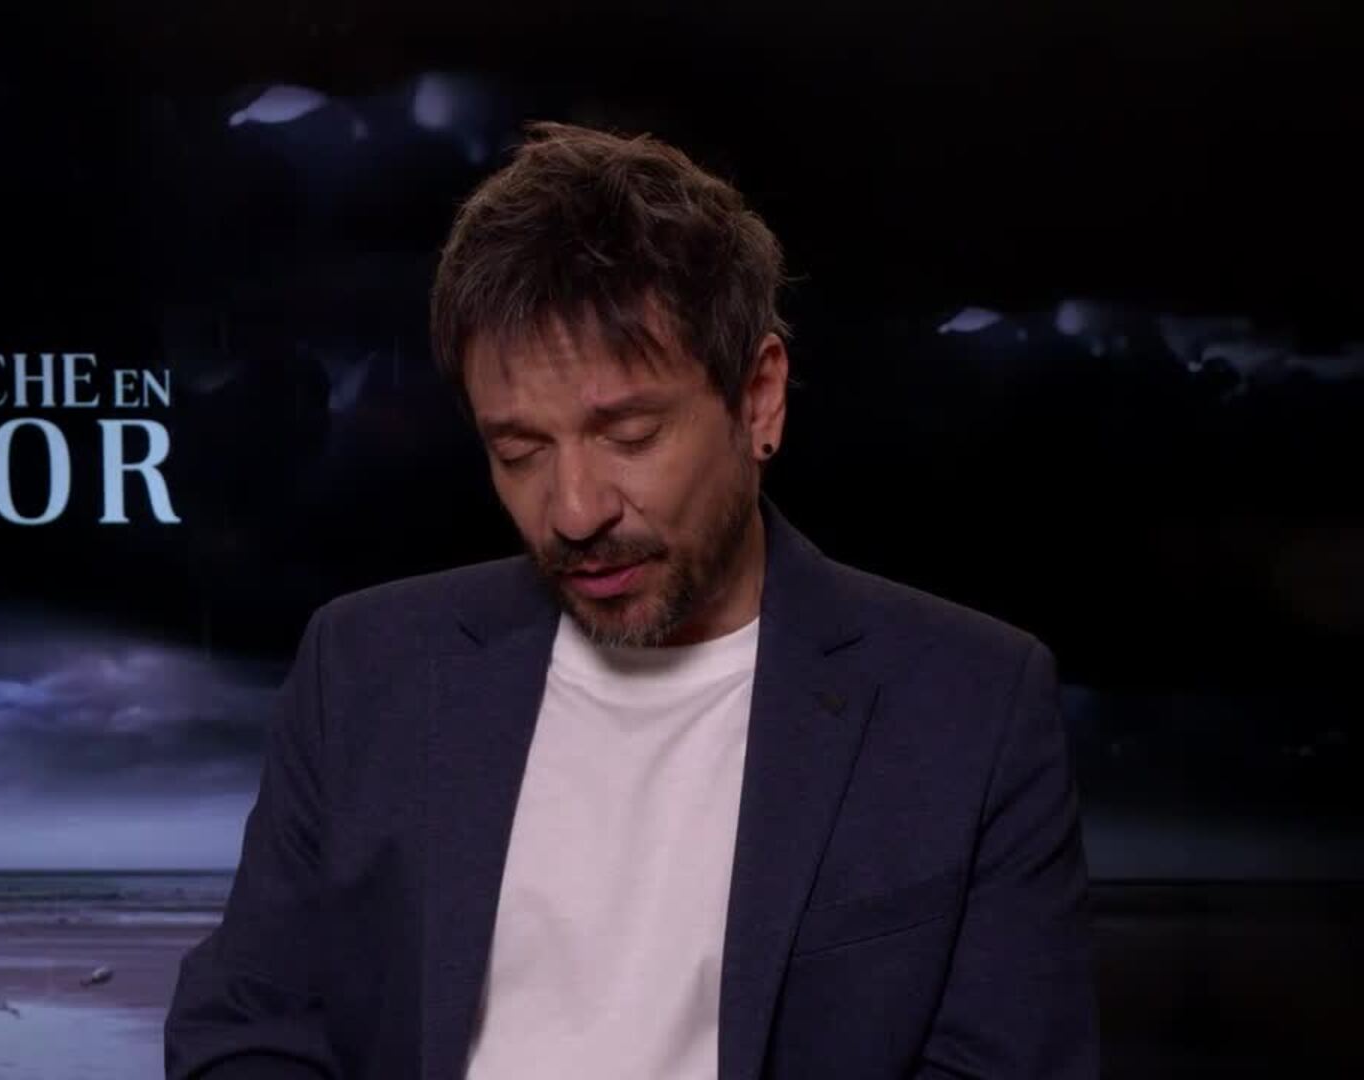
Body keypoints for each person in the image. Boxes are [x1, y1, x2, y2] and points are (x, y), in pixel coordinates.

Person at [164, 121, 1098, 1080]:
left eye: (630, 436)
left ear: (759, 399)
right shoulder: (365, 669)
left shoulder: (972, 706)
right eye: (520, 450)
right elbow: (244, 1025)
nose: (574, 511)